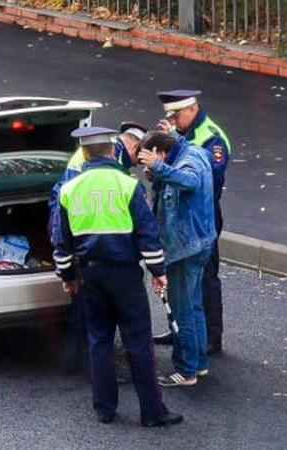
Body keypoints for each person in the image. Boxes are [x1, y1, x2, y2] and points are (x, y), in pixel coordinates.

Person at [53, 126, 182, 427]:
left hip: (91, 275)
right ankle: (152, 411)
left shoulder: (70, 190)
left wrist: (68, 275)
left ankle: (105, 408)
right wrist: (158, 272)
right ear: (111, 151)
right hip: (124, 275)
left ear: (84, 153)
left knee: (98, 340)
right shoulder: (128, 185)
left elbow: (63, 241)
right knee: (138, 342)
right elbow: (148, 235)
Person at [47, 122, 147, 374]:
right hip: (90, 244)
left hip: (80, 239)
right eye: (141, 154)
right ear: (129, 145)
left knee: (86, 309)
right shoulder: (112, 160)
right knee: (89, 312)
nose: (141, 161)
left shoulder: (95, 153)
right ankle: (88, 365)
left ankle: (76, 361)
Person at [154, 90, 231, 355]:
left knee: (205, 277)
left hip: (201, 215)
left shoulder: (212, 137)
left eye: (176, 116)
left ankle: (210, 336)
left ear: (192, 109)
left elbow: (208, 178)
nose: (173, 122)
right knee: (176, 275)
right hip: (178, 214)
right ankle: (180, 330)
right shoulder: (183, 133)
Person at [138, 131, 216, 387]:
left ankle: (186, 370)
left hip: (185, 249)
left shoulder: (184, 163)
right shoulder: (190, 152)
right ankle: (199, 363)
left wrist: (158, 168)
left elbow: (190, 182)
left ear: (160, 152)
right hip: (199, 243)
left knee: (181, 309)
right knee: (194, 306)